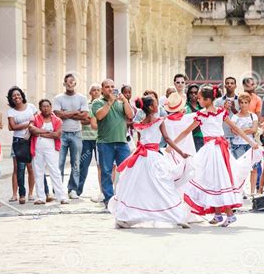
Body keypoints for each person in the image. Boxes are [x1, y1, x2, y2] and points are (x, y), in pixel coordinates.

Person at [173, 86, 261, 227]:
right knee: (212, 180)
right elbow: (187, 130)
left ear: (208, 100)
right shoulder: (205, 114)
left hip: (217, 150)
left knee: (219, 180)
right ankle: (218, 214)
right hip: (212, 149)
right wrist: (173, 144)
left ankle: (229, 215)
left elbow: (236, 128)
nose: (198, 100)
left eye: (200, 98)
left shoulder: (215, 113)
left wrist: (251, 142)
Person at [108, 95, 190, 229]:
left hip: (141, 158)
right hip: (153, 158)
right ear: (151, 107)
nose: (158, 106)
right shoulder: (159, 121)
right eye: (156, 104)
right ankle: (177, 216)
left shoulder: (140, 124)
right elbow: (168, 139)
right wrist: (181, 152)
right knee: (163, 186)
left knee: (137, 187)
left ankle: (126, 216)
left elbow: (140, 141)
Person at [92, 79, 133, 207]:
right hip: (105, 143)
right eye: (107, 87)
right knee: (106, 172)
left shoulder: (121, 102)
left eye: (112, 87)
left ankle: (124, 197)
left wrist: (125, 101)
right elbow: (99, 116)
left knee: (127, 171)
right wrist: (110, 102)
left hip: (122, 142)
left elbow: (130, 115)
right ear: (102, 89)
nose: (110, 89)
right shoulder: (97, 102)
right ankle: (109, 199)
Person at [53, 73, 89, 199]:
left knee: (76, 163)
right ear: (64, 83)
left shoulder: (82, 98)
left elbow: (84, 116)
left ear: (75, 83)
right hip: (61, 133)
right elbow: (57, 114)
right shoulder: (58, 98)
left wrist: (65, 113)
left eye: (72, 81)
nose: (70, 83)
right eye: (68, 81)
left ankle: (72, 189)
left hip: (76, 133)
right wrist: (75, 112)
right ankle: (58, 189)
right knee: (59, 162)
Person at [29, 99, 69, 205]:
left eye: (47, 106)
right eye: (43, 106)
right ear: (40, 108)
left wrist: (40, 133)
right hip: (37, 148)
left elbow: (57, 135)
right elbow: (32, 130)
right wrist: (48, 132)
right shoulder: (35, 118)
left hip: (52, 148)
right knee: (38, 172)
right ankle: (41, 197)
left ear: (51, 107)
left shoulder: (57, 120)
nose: (45, 108)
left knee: (54, 171)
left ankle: (61, 196)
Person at [7, 86, 38, 204]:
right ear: (11, 98)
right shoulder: (11, 111)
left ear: (22, 95)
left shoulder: (31, 107)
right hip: (18, 141)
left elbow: (37, 120)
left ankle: (30, 193)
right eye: (13, 95)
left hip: (31, 139)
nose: (16, 97)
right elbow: (13, 127)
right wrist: (28, 124)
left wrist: (31, 125)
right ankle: (17, 194)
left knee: (30, 167)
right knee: (17, 168)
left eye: (18, 94)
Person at [230, 93, 259, 197]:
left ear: (249, 103)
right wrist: (246, 130)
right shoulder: (235, 117)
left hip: (251, 144)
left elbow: (254, 129)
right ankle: (240, 190)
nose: (243, 105)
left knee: (254, 168)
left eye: (246, 102)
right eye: (241, 103)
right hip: (238, 145)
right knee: (240, 168)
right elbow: (233, 131)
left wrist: (241, 131)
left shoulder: (253, 115)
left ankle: (252, 191)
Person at [79, 83, 102, 201]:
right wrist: (94, 119)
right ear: (90, 93)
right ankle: (78, 190)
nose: (96, 92)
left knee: (101, 166)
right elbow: (81, 120)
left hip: (100, 139)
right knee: (83, 164)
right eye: (94, 90)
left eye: (98, 90)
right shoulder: (85, 105)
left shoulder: (103, 105)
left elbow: (102, 120)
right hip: (86, 139)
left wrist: (91, 119)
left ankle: (102, 191)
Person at [214, 77, 240, 144]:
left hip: (237, 135)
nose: (229, 85)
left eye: (232, 83)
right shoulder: (218, 101)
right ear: (225, 85)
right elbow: (214, 118)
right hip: (223, 134)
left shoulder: (240, 100)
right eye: (227, 83)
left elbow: (243, 116)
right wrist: (224, 109)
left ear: (235, 86)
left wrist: (234, 109)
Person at [185, 84, 204, 151]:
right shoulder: (184, 107)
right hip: (188, 136)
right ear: (188, 94)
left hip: (201, 136)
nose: (193, 94)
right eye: (191, 92)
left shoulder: (202, 106)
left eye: (195, 93)